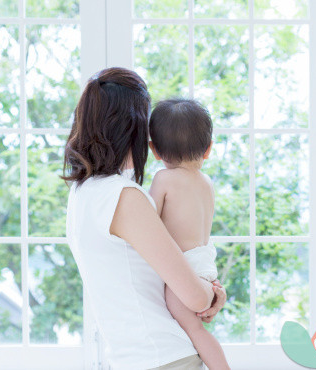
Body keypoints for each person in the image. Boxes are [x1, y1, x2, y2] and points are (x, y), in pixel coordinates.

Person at [63, 67, 226, 370]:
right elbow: (195, 297)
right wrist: (215, 294)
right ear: (137, 129)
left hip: (130, 358)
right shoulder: (125, 197)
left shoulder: (81, 194)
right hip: (165, 356)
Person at [148, 99, 230, 370]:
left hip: (184, 269)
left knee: (195, 332)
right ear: (208, 149)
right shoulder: (206, 183)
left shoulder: (163, 179)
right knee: (196, 330)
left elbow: (148, 220)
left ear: (155, 150)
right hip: (204, 264)